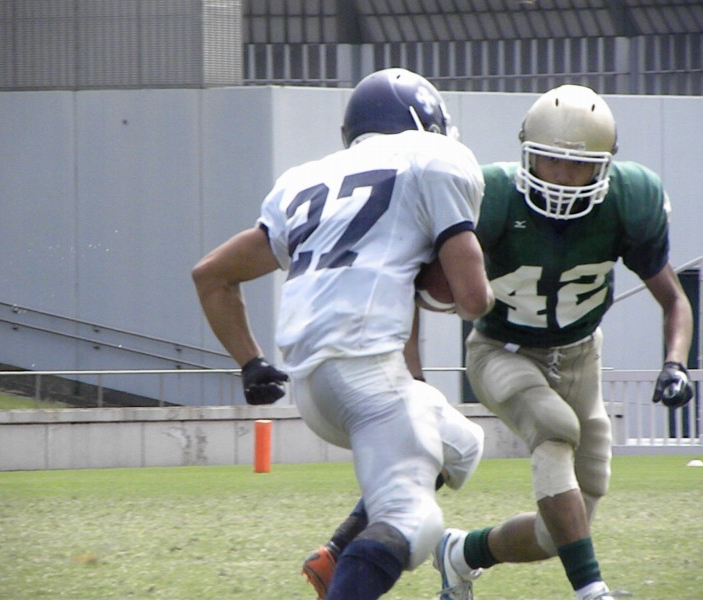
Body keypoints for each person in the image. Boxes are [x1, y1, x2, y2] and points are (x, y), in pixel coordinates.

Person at [301, 84, 695, 600]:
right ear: (526, 153)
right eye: (551, 160)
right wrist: (413, 380)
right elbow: (409, 284)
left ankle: (460, 554)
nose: (563, 176)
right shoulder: (489, 197)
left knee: (560, 531)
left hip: (581, 355)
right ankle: (592, 591)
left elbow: (674, 299)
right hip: (501, 352)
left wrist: (675, 363)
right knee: (554, 428)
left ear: (605, 166)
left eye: (578, 165)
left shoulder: (629, 201)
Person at [192, 67, 495, 600]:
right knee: (413, 523)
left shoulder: (305, 180)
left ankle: (338, 552)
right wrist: (481, 290)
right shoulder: (435, 159)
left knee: (463, 445)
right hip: (365, 373)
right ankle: (352, 571)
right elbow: (472, 299)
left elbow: (211, 274)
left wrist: (251, 361)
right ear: (424, 123)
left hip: (311, 386)